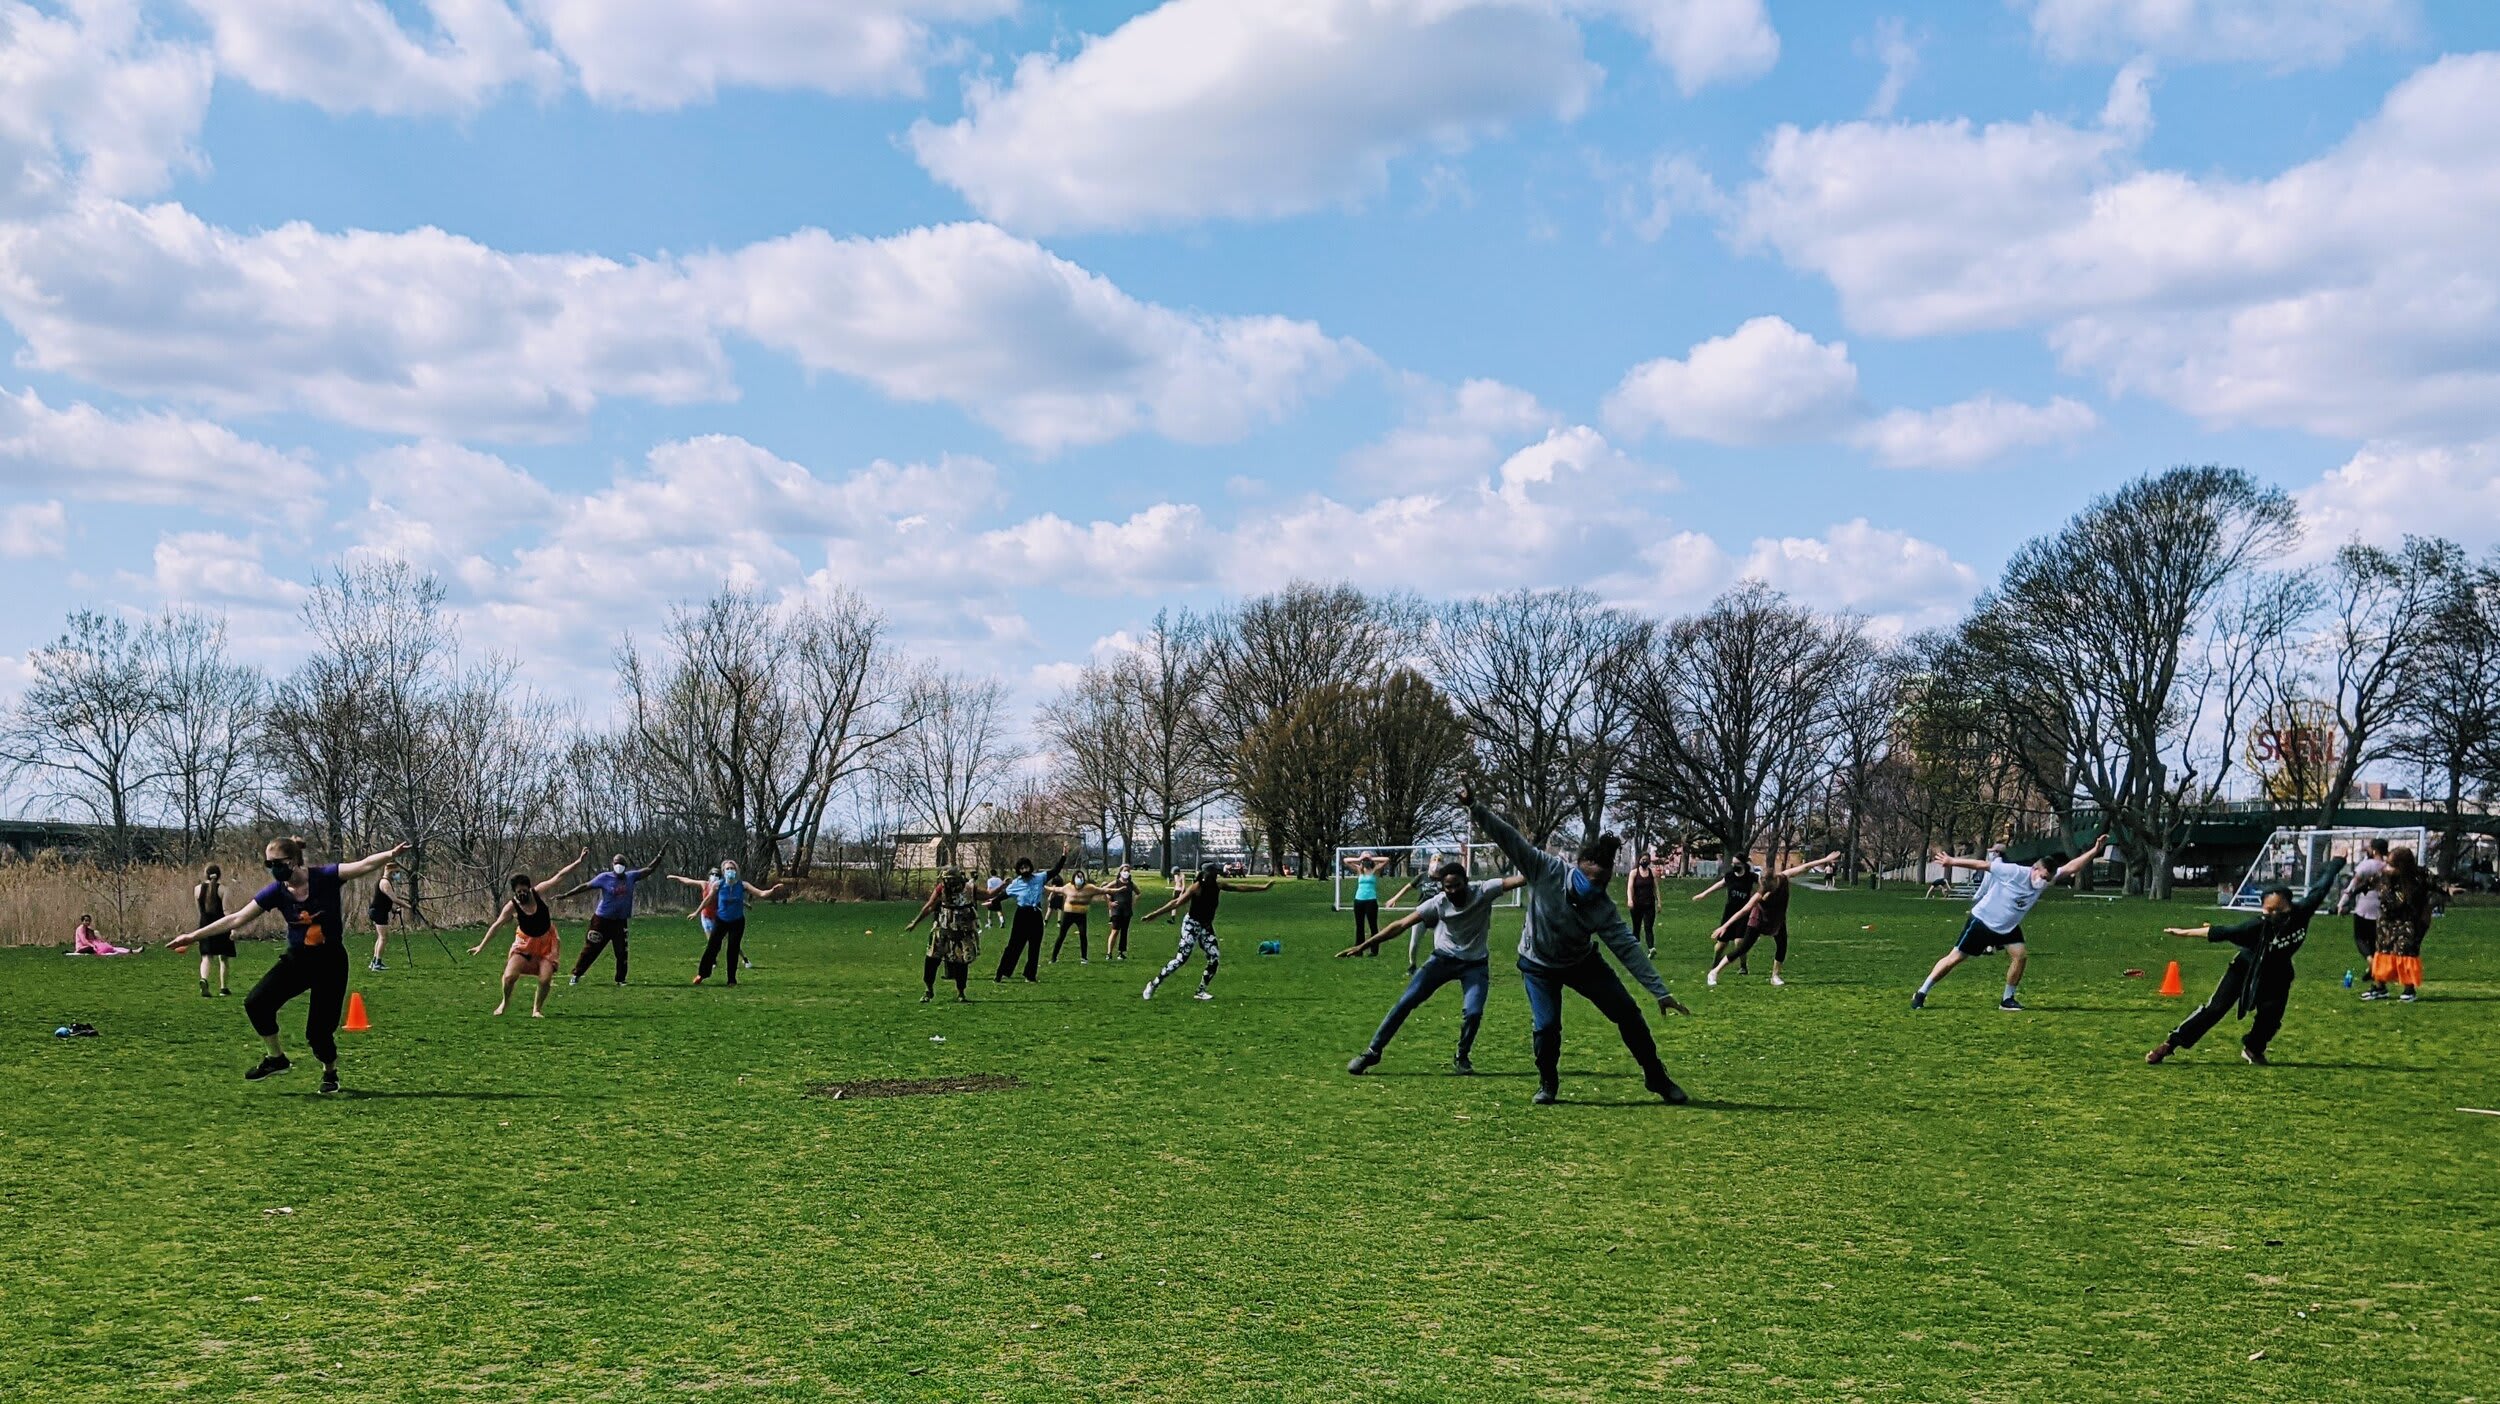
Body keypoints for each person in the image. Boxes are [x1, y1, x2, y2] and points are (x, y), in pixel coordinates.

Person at [1463, 784, 1693, 1106]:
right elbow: (1509, 838)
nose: (1596, 889)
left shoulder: (1602, 909)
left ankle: (1656, 1076)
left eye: (1603, 883)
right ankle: (1548, 1082)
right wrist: (1476, 806)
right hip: (1538, 965)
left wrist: (1660, 991)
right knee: (1546, 1028)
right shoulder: (1545, 869)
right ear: (1577, 871)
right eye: (1591, 881)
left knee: (1628, 1013)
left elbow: (1628, 949)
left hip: (1582, 963)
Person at [168, 835, 409, 1094]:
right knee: (256, 1002)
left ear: (293, 861)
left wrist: (389, 855)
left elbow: (362, 865)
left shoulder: (324, 876)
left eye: (277, 863)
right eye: (268, 864)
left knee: (318, 1035)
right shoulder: (277, 892)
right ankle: (276, 1059)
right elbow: (237, 918)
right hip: (298, 960)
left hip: (331, 963)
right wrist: (193, 936)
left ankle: (330, 1071)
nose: (273, 869)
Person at [2146, 857, 2345, 1066]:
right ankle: (2170, 1045)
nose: (2274, 915)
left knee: (2271, 1017)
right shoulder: (2256, 927)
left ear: (2289, 905)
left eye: (2279, 910)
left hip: (2278, 974)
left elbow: (2322, 886)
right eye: (2268, 911)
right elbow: (2221, 932)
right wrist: (2183, 932)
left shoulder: (2302, 912)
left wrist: (2337, 863)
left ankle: (2253, 1049)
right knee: (2215, 1009)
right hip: (2244, 969)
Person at [1340, 863, 1528, 1076]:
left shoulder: (1484, 890)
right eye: (1448, 887)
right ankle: (1373, 1052)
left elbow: (1521, 879)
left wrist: (1544, 867)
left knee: (1473, 1012)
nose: (1453, 891)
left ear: (1466, 882)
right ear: (1442, 887)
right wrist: (1363, 945)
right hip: (1442, 960)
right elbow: (1401, 925)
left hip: (1475, 964)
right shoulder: (1438, 903)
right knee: (1406, 1002)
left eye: (1457, 885)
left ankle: (1462, 1055)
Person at [1912, 836, 2108, 1010]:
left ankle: (2007, 999)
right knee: (1954, 959)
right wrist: (1952, 861)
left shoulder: (2047, 876)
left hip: (2008, 927)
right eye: (2042, 877)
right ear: (2034, 869)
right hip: (1983, 921)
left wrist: (2095, 850)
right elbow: (1982, 865)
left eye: (2048, 880)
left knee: (2020, 957)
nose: (2044, 883)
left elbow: (2073, 866)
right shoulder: (2013, 871)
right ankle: (1921, 992)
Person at [471, 851, 588, 1018]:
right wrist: (481, 946)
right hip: (525, 945)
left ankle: (537, 1009)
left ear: (528, 889)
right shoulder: (511, 907)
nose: (522, 895)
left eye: (524, 891)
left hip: (546, 942)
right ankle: (505, 1002)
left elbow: (559, 876)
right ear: (514, 892)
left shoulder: (537, 893)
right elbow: (496, 925)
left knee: (545, 979)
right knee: (509, 977)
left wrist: (578, 861)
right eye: (518, 892)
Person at [1137, 864, 1274, 1001]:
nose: (1214, 877)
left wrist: (1263, 888)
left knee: (1214, 956)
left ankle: (1200, 991)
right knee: (1180, 959)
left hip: (1206, 926)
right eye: (1212, 874)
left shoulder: (1217, 886)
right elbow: (1176, 903)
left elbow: (1239, 888)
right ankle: (1153, 984)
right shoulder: (1196, 887)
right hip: (1192, 925)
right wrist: (1154, 914)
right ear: (1205, 875)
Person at [1706, 851, 1841, 987]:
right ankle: (1714, 972)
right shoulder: (1761, 893)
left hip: (1777, 919)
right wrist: (1724, 926)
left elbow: (1805, 867)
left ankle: (1775, 976)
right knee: (1743, 948)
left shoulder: (1783, 877)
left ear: (1775, 879)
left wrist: (1826, 859)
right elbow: (1744, 910)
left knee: (1782, 946)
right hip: (1759, 920)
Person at [563, 853, 660, 987]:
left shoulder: (631, 877)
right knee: (591, 949)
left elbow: (649, 869)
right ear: (612, 865)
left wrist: (659, 856)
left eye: (621, 863)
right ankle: (576, 974)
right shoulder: (604, 877)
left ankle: (620, 979)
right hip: (602, 920)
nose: (618, 866)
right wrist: (566, 895)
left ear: (625, 866)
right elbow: (586, 886)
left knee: (622, 951)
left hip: (620, 921)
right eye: (616, 863)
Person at [693, 857, 782, 986]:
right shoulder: (718, 885)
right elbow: (708, 900)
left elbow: (761, 894)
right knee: (712, 947)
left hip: (737, 922)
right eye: (727, 869)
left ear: (736, 870)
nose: (730, 871)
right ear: (723, 871)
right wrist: (696, 912)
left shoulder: (742, 885)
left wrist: (772, 891)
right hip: (721, 920)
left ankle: (731, 980)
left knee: (733, 949)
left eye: (732, 868)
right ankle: (702, 974)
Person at [901, 867, 983, 1002]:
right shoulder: (941, 890)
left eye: (951, 879)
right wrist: (915, 922)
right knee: (932, 960)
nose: (949, 882)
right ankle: (928, 990)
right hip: (942, 930)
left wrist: (1004, 887)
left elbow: (989, 894)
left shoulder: (969, 889)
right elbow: (929, 906)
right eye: (946, 880)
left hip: (962, 932)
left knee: (961, 963)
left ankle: (961, 992)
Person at [2364, 847, 2435, 1002]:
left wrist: (2448, 890)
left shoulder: (2420, 876)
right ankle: (2380, 987)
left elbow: (2437, 886)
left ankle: (2409, 989)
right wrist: (2348, 896)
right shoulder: (2382, 876)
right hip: (2386, 920)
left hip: (2409, 920)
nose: (2387, 868)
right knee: (2383, 950)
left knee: (2405, 951)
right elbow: (2364, 884)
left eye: (2392, 865)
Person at [991, 854, 1063, 984]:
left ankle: (1030, 975)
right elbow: (1002, 896)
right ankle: (1001, 973)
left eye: (1026, 867)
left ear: (1030, 867)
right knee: (1014, 946)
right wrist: (993, 903)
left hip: (1035, 914)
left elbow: (1055, 870)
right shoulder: (1016, 883)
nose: (1025, 870)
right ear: (1018, 870)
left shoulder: (1040, 878)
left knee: (1035, 947)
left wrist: (1063, 856)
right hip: (1022, 915)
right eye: (1022, 868)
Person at [1692, 856, 1759, 974]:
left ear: (1743, 864)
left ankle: (1743, 967)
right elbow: (1719, 885)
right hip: (1729, 913)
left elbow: (1764, 884)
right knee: (1720, 945)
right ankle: (1715, 965)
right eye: (1732, 863)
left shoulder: (1751, 877)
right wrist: (1704, 894)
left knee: (1739, 942)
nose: (1733, 866)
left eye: (1736, 863)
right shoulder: (1730, 876)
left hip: (1744, 913)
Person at [2338, 837, 2391, 967]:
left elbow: (2353, 885)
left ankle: (2370, 961)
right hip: (2382, 906)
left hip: (2365, 906)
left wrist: (2342, 902)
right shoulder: (2388, 867)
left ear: (2374, 851)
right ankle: (2375, 969)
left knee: (2360, 937)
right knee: (2375, 939)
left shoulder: (2367, 865)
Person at [1342, 850, 1391, 956]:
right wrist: (1360, 859)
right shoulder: (1359, 870)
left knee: (1373, 926)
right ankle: (1358, 950)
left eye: (1367, 859)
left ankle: (1374, 951)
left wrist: (1371, 858)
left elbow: (1386, 860)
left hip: (1371, 901)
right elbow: (1346, 860)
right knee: (1359, 926)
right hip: (1359, 900)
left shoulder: (1375, 870)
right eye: (1364, 859)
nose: (1365, 861)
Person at [194, 864, 233, 995]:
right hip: (221, 926)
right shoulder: (223, 889)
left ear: (205, 874)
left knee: (206, 957)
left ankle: (204, 979)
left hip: (205, 925)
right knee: (224, 958)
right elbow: (227, 910)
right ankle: (223, 988)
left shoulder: (197, 889)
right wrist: (233, 928)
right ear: (219, 874)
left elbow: (199, 910)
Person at [1049, 870, 1099, 964]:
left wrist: (1117, 890)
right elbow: (1056, 889)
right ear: (1074, 878)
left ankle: (1084, 958)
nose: (1079, 879)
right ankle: (1053, 958)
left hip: (1081, 915)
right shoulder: (1068, 887)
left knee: (1083, 935)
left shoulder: (1088, 888)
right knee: (1061, 935)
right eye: (1077, 877)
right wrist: (1043, 886)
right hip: (1068, 914)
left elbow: (1102, 890)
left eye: (1081, 877)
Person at [1626, 850, 1663, 955]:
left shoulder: (1652, 873)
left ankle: (1651, 948)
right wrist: (1630, 899)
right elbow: (1630, 888)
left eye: (1647, 860)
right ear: (1639, 860)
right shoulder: (1634, 873)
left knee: (1648, 927)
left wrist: (1659, 902)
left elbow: (1656, 888)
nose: (1645, 862)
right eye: (1643, 860)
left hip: (1649, 904)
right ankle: (1635, 950)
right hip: (1637, 904)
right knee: (1636, 927)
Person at [366, 865, 399, 972]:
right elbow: (394, 899)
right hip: (378, 912)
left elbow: (385, 899)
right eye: (396, 872)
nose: (397, 875)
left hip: (380, 911)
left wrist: (393, 909)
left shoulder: (385, 882)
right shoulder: (385, 883)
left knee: (380, 937)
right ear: (391, 872)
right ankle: (377, 964)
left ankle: (375, 961)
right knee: (383, 938)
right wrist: (408, 906)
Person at [1102, 866, 1139, 960]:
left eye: (1128, 871)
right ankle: (1109, 953)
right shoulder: (1116, 883)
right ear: (1120, 872)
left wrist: (1133, 901)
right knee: (1115, 931)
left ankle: (1121, 952)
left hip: (1127, 910)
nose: (1126, 873)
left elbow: (1138, 893)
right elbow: (1104, 890)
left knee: (1124, 932)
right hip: (1117, 910)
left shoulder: (1131, 884)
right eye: (1125, 871)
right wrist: (1110, 902)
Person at [72, 915, 138, 956]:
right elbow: (84, 941)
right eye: (86, 921)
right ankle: (130, 951)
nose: (88, 922)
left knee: (112, 948)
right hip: (81, 948)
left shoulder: (87, 929)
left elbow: (93, 937)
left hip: (89, 946)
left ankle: (130, 951)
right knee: (98, 948)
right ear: (82, 921)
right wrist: (93, 945)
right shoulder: (80, 929)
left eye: (89, 921)